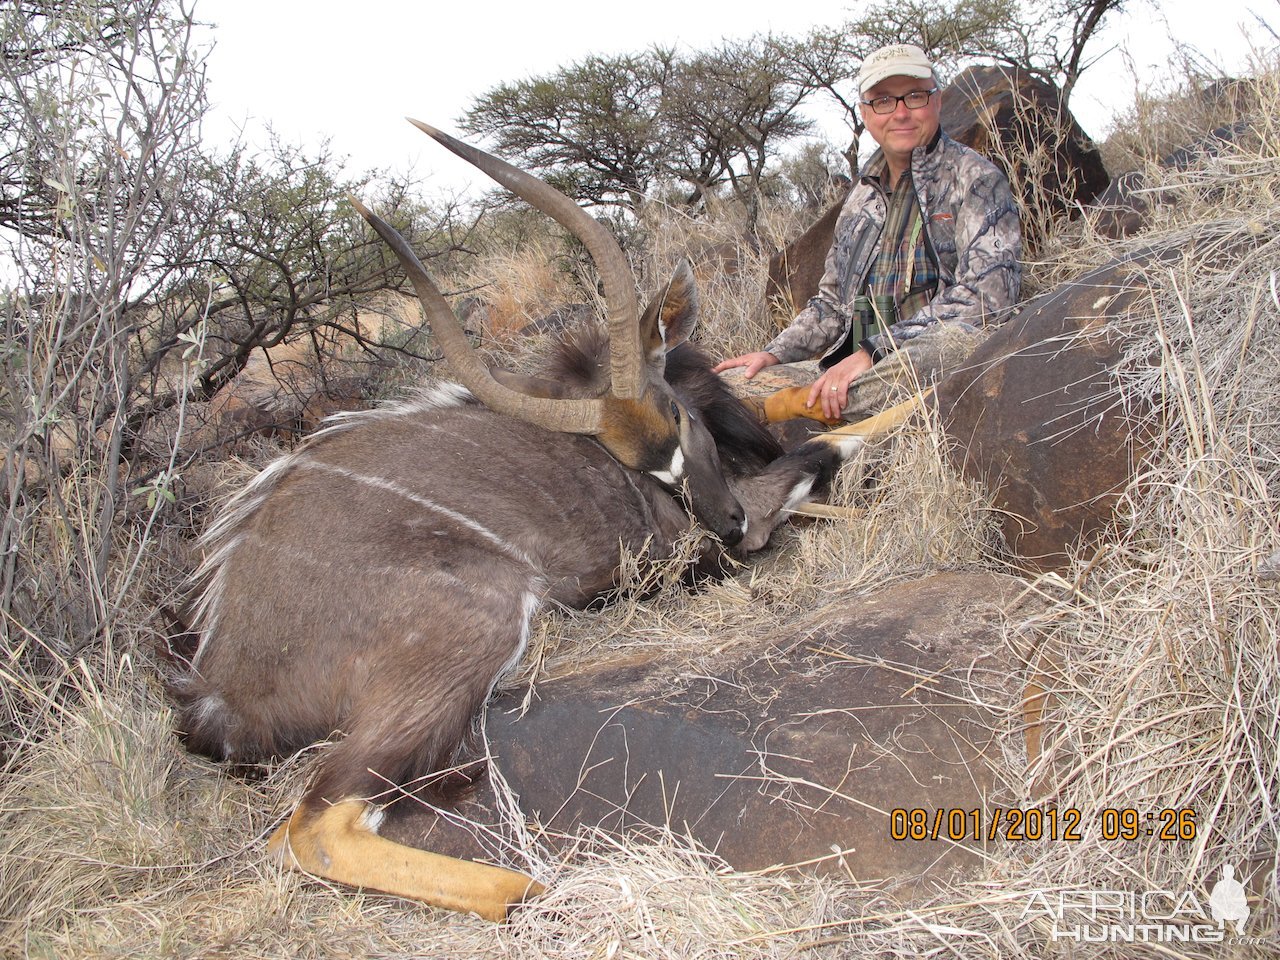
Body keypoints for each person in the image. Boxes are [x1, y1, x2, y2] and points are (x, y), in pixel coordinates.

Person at [715, 44, 1022, 423]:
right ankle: (817, 412)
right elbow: (829, 304)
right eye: (882, 101)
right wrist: (774, 353)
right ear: (865, 113)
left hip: (918, 355)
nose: (901, 113)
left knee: (938, 356)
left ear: (937, 101)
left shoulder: (977, 180)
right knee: (728, 386)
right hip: (854, 365)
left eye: (914, 95)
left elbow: (988, 300)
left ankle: (795, 413)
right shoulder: (860, 197)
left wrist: (875, 352)